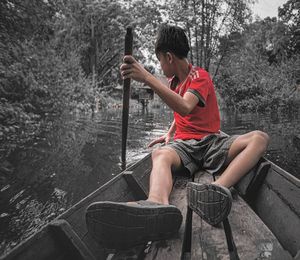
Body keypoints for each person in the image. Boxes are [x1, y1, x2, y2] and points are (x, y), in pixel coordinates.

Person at [85, 24, 269, 250]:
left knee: (259, 138)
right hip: (185, 147)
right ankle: (155, 204)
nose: (160, 67)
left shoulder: (199, 76)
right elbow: (179, 112)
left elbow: (184, 106)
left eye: (160, 60)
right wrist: (170, 133)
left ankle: (216, 190)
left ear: (169, 57)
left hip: (213, 143)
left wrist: (147, 78)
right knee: (159, 154)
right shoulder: (174, 83)